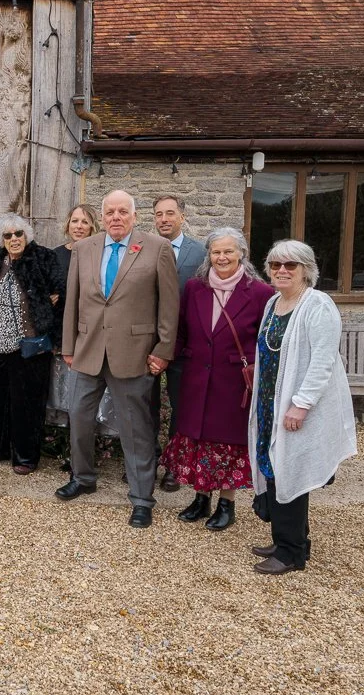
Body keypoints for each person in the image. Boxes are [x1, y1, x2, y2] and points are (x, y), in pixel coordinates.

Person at [56, 190, 179, 529]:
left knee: (135, 428)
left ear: (134, 216)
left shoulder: (157, 249)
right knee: (78, 417)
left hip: (134, 353)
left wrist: (163, 350)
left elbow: (169, 307)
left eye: (123, 211)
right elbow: (73, 302)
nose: (115, 217)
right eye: (110, 211)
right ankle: (83, 477)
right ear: (103, 215)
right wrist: (69, 345)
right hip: (87, 349)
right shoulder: (84, 248)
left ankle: (141, 498)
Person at [247, 240, 356, 574]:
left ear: (306, 270)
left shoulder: (317, 305)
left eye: (290, 265)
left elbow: (323, 361)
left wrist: (302, 404)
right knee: (273, 467)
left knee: (290, 470)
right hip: (269, 402)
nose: (282, 270)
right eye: (276, 264)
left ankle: (291, 554)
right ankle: (288, 541)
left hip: (296, 407)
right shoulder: (272, 304)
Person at [161, 228, 274, 530]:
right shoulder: (195, 288)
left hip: (233, 382)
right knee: (198, 440)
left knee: (228, 445)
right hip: (197, 376)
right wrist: (166, 357)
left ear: (241, 254)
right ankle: (201, 498)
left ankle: (227, 504)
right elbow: (182, 329)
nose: (222, 257)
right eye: (216, 252)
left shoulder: (261, 293)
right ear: (208, 255)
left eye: (228, 251)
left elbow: (266, 339)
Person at [0, 214, 64, 474]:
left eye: (18, 234)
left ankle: (26, 456)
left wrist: (50, 303)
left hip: (28, 345)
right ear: (2, 239)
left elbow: (60, 292)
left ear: (26, 235)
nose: (14, 239)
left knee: (26, 402)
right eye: (8, 236)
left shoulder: (43, 257)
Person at [150, 194, 208, 492]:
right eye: (159, 214)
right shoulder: (142, 249)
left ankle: (173, 465)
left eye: (170, 213)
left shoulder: (199, 253)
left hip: (185, 344)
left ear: (182, 217)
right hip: (147, 341)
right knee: (145, 404)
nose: (164, 219)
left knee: (179, 406)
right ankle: (146, 462)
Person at [47, 204, 120, 438]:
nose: (79, 226)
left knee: (89, 386)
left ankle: (95, 436)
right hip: (60, 327)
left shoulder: (100, 254)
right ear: (68, 224)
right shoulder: (55, 255)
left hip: (90, 328)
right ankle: (66, 436)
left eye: (85, 222)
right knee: (64, 386)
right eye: (75, 221)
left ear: (93, 227)